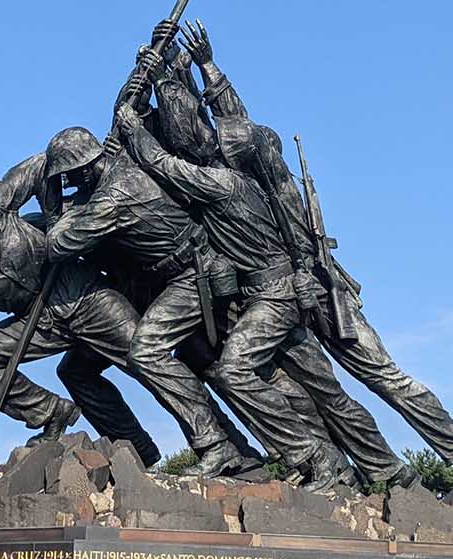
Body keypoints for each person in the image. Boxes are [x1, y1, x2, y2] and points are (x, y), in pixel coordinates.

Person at [182, 20, 453, 485]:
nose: (222, 154)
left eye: (232, 152)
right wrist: (204, 66)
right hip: (283, 297)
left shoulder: (280, 187)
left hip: (324, 294)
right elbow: (228, 123)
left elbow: (238, 133)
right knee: (323, 392)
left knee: (382, 376)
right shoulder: (246, 180)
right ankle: (372, 472)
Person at [112, 69, 352, 490]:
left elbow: (161, 161)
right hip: (249, 293)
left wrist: (134, 128)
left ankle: (322, 458)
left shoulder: (221, 180)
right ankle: (320, 459)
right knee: (279, 380)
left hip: (274, 293)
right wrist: (165, 70)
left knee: (242, 372)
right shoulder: (226, 171)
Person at [0, 132, 259, 477]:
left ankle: (223, 446)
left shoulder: (115, 193)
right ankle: (137, 451)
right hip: (133, 286)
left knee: (147, 356)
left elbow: (60, 243)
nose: (69, 184)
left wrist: (52, 211)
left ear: (88, 168)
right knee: (75, 371)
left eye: (72, 176)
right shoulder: (103, 179)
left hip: (176, 280)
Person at [0, 182, 160, 464]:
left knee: (146, 359)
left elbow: (44, 175)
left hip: (84, 296)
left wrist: (56, 218)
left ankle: (208, 439)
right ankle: (54, 413)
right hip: (42, 324)